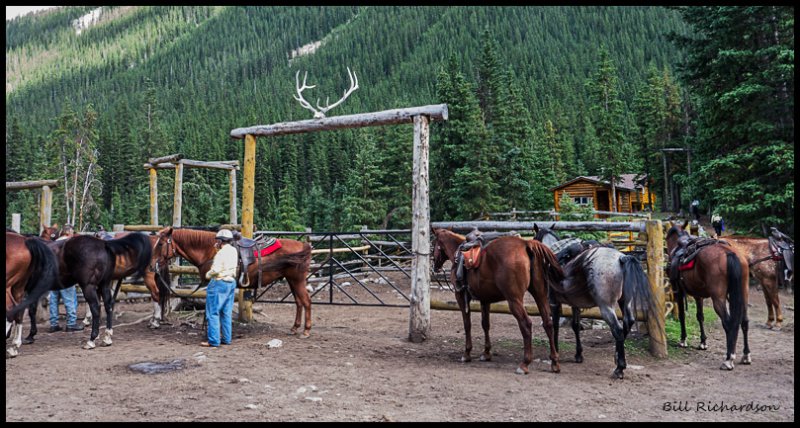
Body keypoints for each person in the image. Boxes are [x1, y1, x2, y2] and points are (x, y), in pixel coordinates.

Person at [201, 229, 239, 347]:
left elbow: (216, 270)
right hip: (231, 282)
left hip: (219, 282)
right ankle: (226, 339)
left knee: (213, 312)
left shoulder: (220, 253)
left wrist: (207, 275)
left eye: (218, 240)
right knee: (226, 312)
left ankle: (213, 341)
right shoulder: (233, 250)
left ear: (220, 241)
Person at [49, 224, 83, 332]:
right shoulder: (69, 243)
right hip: (65, 275)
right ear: (68, 232)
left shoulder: (53, 243)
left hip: (53, 276)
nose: (73, 233)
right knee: (70, 300)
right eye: (72, 231)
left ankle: (54, 324)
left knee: (53, 300)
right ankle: (71, 323)